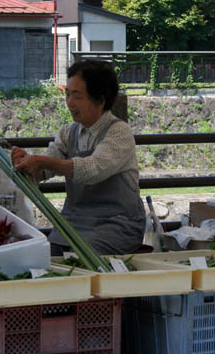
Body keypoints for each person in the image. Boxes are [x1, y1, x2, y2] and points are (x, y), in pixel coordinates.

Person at [11, 60, 146, 255]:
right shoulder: (68, 132)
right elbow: (43, 171)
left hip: (118, 225)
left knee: (80, 257)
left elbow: (93, 169)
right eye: (67, 94)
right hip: (73, 224)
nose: (70, 103)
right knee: (43, 256)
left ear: (100, 100)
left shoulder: (119, 133)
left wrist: (40, 160)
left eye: (77, 96)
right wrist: (25, 163)